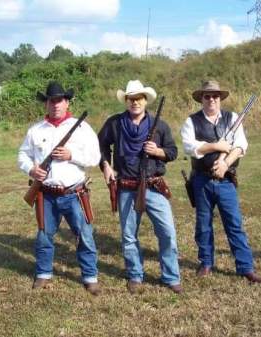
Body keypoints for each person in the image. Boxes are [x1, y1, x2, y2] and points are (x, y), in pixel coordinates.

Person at [98, 80, 182, 294]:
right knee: (128, 236)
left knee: (167, 233)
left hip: (154, 186)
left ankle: (171, 276)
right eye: (131, 99)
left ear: (146, 101)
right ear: (126, 101)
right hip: (126, 187)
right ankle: (135, 274)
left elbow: (172, 152)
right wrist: (106, 166)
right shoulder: (115, 124)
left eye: (139, 98)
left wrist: (158, 151)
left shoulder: (159, 125)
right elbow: (100, 145)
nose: (135, 102)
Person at [18, 81, 102, 295]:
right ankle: (44, 274)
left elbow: (95, 157)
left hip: (75, 193)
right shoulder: (35, 130)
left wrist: (71, 155)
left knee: (85, 236)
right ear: (46, 103)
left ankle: (90, 276)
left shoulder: (82, 128)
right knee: (44, 236)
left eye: (59, 100)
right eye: (51, 100)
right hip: (46, 194)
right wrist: (31, 170)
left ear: (66, 102)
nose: (55, 104)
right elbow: (22, 155)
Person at [180, 80, 261, 283]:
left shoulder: (232, 118)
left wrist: (225, 163)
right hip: (201, 180)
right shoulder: (191, 121)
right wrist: (216, 145)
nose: (211, 99)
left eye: (215, 96)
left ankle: (245, 267)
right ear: (201, 98)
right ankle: (206, 262)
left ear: (220, 98)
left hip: (226, 181)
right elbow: (190, 147)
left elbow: (241, 145)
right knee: (203, 225)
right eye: (207, 96)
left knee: (234, 224)